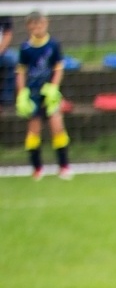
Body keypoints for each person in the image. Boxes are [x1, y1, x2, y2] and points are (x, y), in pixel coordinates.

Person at [15, 12, 70, 180]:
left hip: (49, 93)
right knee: (33, 131)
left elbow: (58, 68)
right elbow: (21, 72)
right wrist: (22, 92)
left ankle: (64, 167)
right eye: (33, 25)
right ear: (28, 27)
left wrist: (54, 87)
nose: (37, 28)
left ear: (46, 24)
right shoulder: (25, 48)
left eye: (39, 24)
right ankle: (37, 168)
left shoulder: (53, 45)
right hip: (33, 94)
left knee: (57, 127)